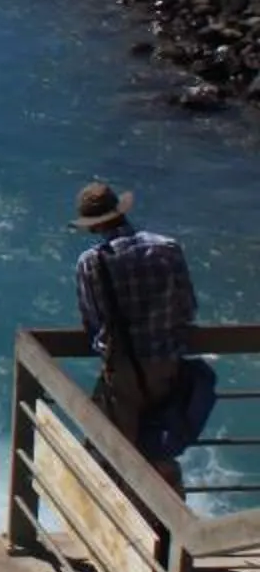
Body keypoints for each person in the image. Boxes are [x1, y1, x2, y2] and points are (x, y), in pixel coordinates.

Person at [73, 179, 213, 491]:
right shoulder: (168, 248)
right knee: (157, 447)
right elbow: (188, 308)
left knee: (114, 453)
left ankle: (125, 527)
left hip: (122, 371)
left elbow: (93, 323)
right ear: (120, 211)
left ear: (93, 226)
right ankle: (171, 526)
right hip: (168, 365)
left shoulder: (92, 262)